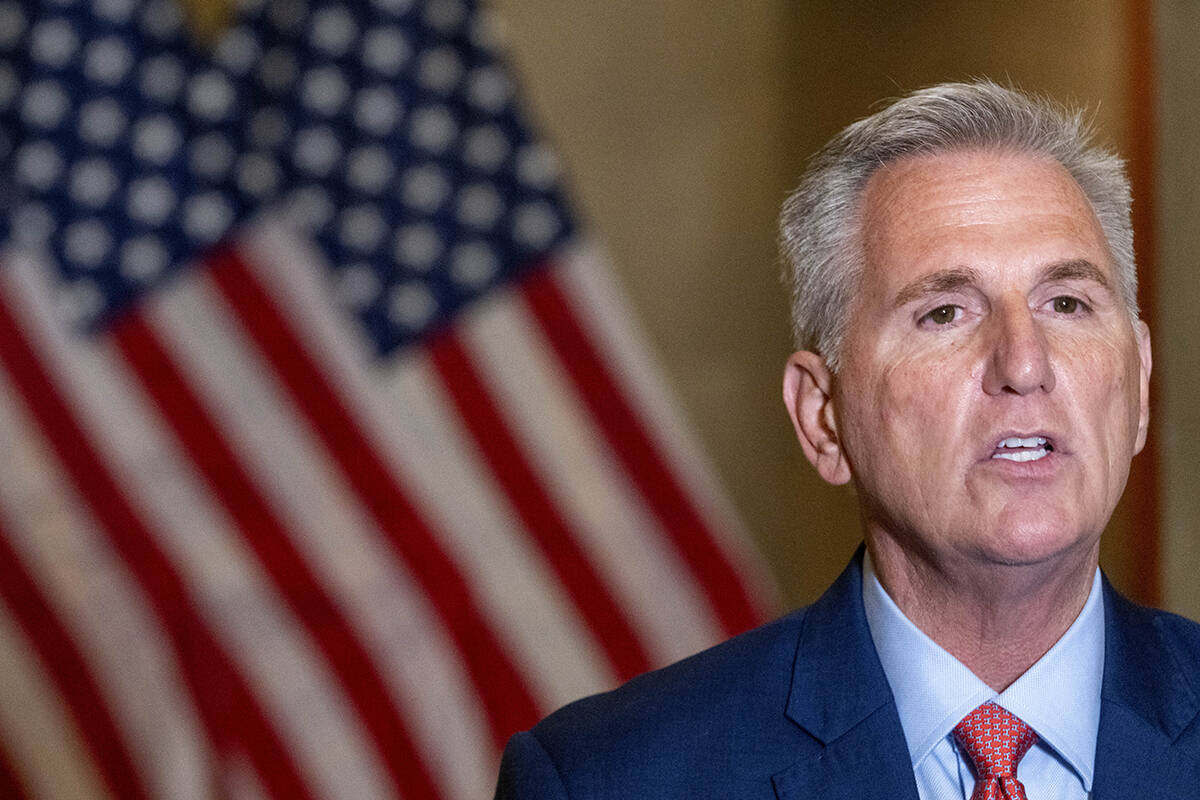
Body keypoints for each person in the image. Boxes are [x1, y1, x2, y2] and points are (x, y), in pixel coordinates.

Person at [493, 80, 1200, 799]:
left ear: (1139, 385)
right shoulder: (606, 780)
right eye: (945, 312)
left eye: (1067, 303)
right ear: (822, 416)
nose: (1024, 364)